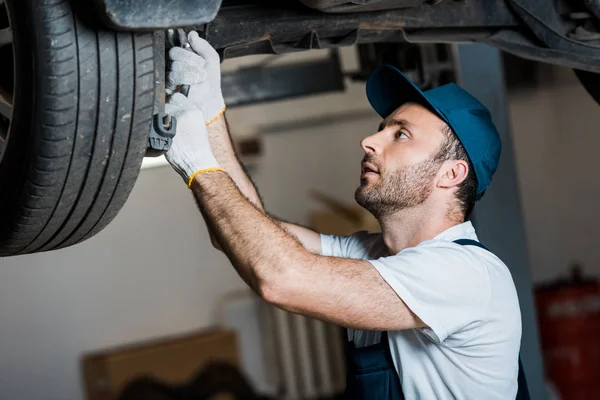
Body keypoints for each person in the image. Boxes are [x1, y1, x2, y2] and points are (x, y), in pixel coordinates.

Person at [164, 32, 523, 399]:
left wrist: (200, 167)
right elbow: (242, 232)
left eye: (400, 135)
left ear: (450, 174)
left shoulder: (465, 274)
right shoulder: (374, 256)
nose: (370, 140)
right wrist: (211, 113)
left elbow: (281, 278)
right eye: (383, 128)